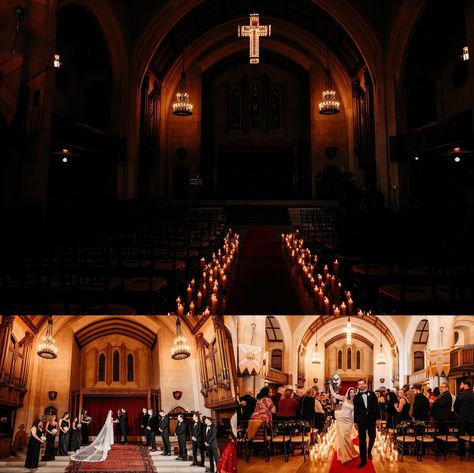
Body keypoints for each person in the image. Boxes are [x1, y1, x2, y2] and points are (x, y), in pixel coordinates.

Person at [353, 379, 380, 468]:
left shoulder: (372, 394)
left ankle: (369, 451)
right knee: (362, 440)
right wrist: (355, 422)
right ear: (358, 386)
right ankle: (363, 460)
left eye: (362, 383)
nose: (361, 385)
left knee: (373, 437)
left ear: (365, 384)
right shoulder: (356, 397)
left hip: (371, 420)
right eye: (359, 384)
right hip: (361, 421)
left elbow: (377, 407)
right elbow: (355, 411)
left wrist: (378, 419)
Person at [330, 384, 359, 464]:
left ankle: (351, 452)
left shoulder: (356, 402)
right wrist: (331, 386)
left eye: (353, 392)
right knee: (341, 438)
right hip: (341, 420)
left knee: (346, 437)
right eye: (351, 392)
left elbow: (357, 412)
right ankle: (344, 456)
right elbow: (334, 394)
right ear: (348, 393)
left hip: (349, 421)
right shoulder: (344, 398)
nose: (352, 394)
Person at [454, 379, 474, 456]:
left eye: (461, 384)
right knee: (472, 435)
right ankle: (472, 451)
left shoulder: (461, 394)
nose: (460, 386)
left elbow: (456, 406)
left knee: (461, 435)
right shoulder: (473, 394)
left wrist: (459, 413)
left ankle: (461, 452)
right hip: (472, 418)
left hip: (462, 418)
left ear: (465, 385)